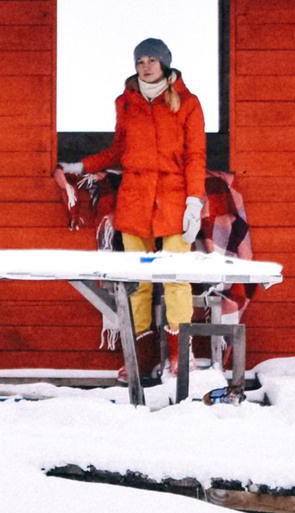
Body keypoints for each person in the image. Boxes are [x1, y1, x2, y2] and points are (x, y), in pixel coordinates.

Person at [61, 37, 207, 381]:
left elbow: (195, 155)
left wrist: (194, 201)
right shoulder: (125, 103)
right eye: (141, 60)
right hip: (135, 200)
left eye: (153, 59)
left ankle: (178, 355)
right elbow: (119, 149)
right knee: (137, 283)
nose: (146, 65)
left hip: (173, 198)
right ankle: (138, 357)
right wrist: (81, 166)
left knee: (176, 279)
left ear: (165, 64)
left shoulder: (188, 102)